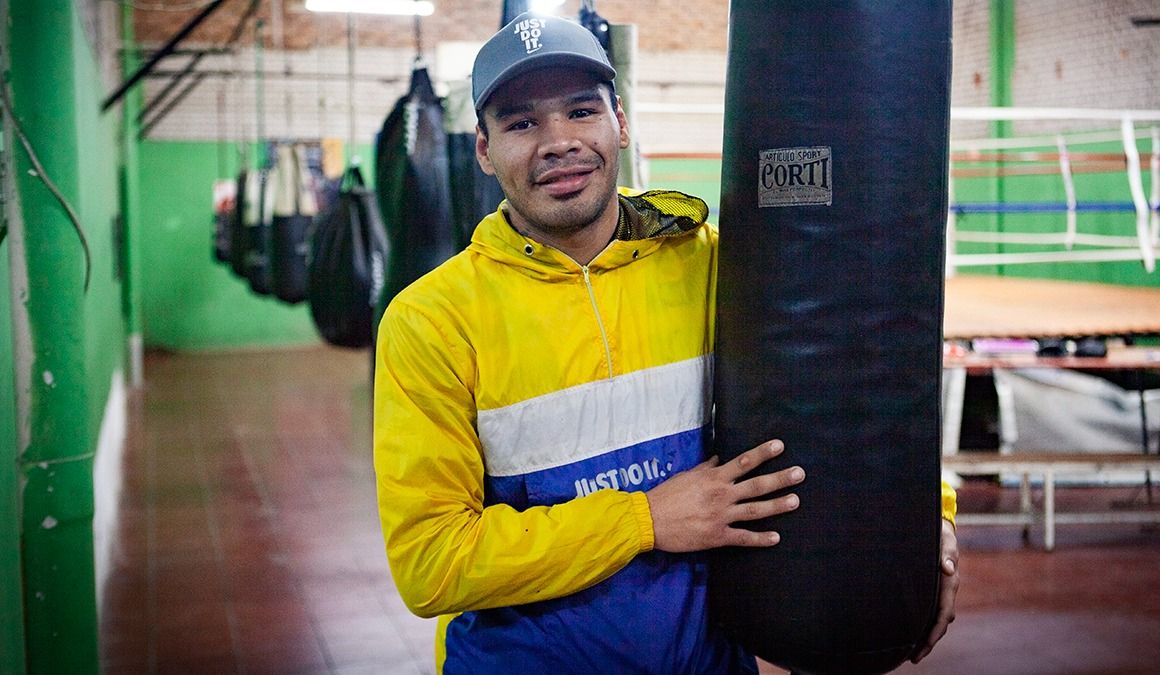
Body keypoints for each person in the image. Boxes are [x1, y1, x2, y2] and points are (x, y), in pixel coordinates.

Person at [374, 13, 959, 674]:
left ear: (620, 121)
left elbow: (853, 379)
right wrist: (644, 519)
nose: (559, 142)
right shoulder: (430, 321)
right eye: (521, 122)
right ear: (483, 148)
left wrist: (924, 519)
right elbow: (431, 562)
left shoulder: (711, 264)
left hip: (707, 660)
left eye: (580, 110)